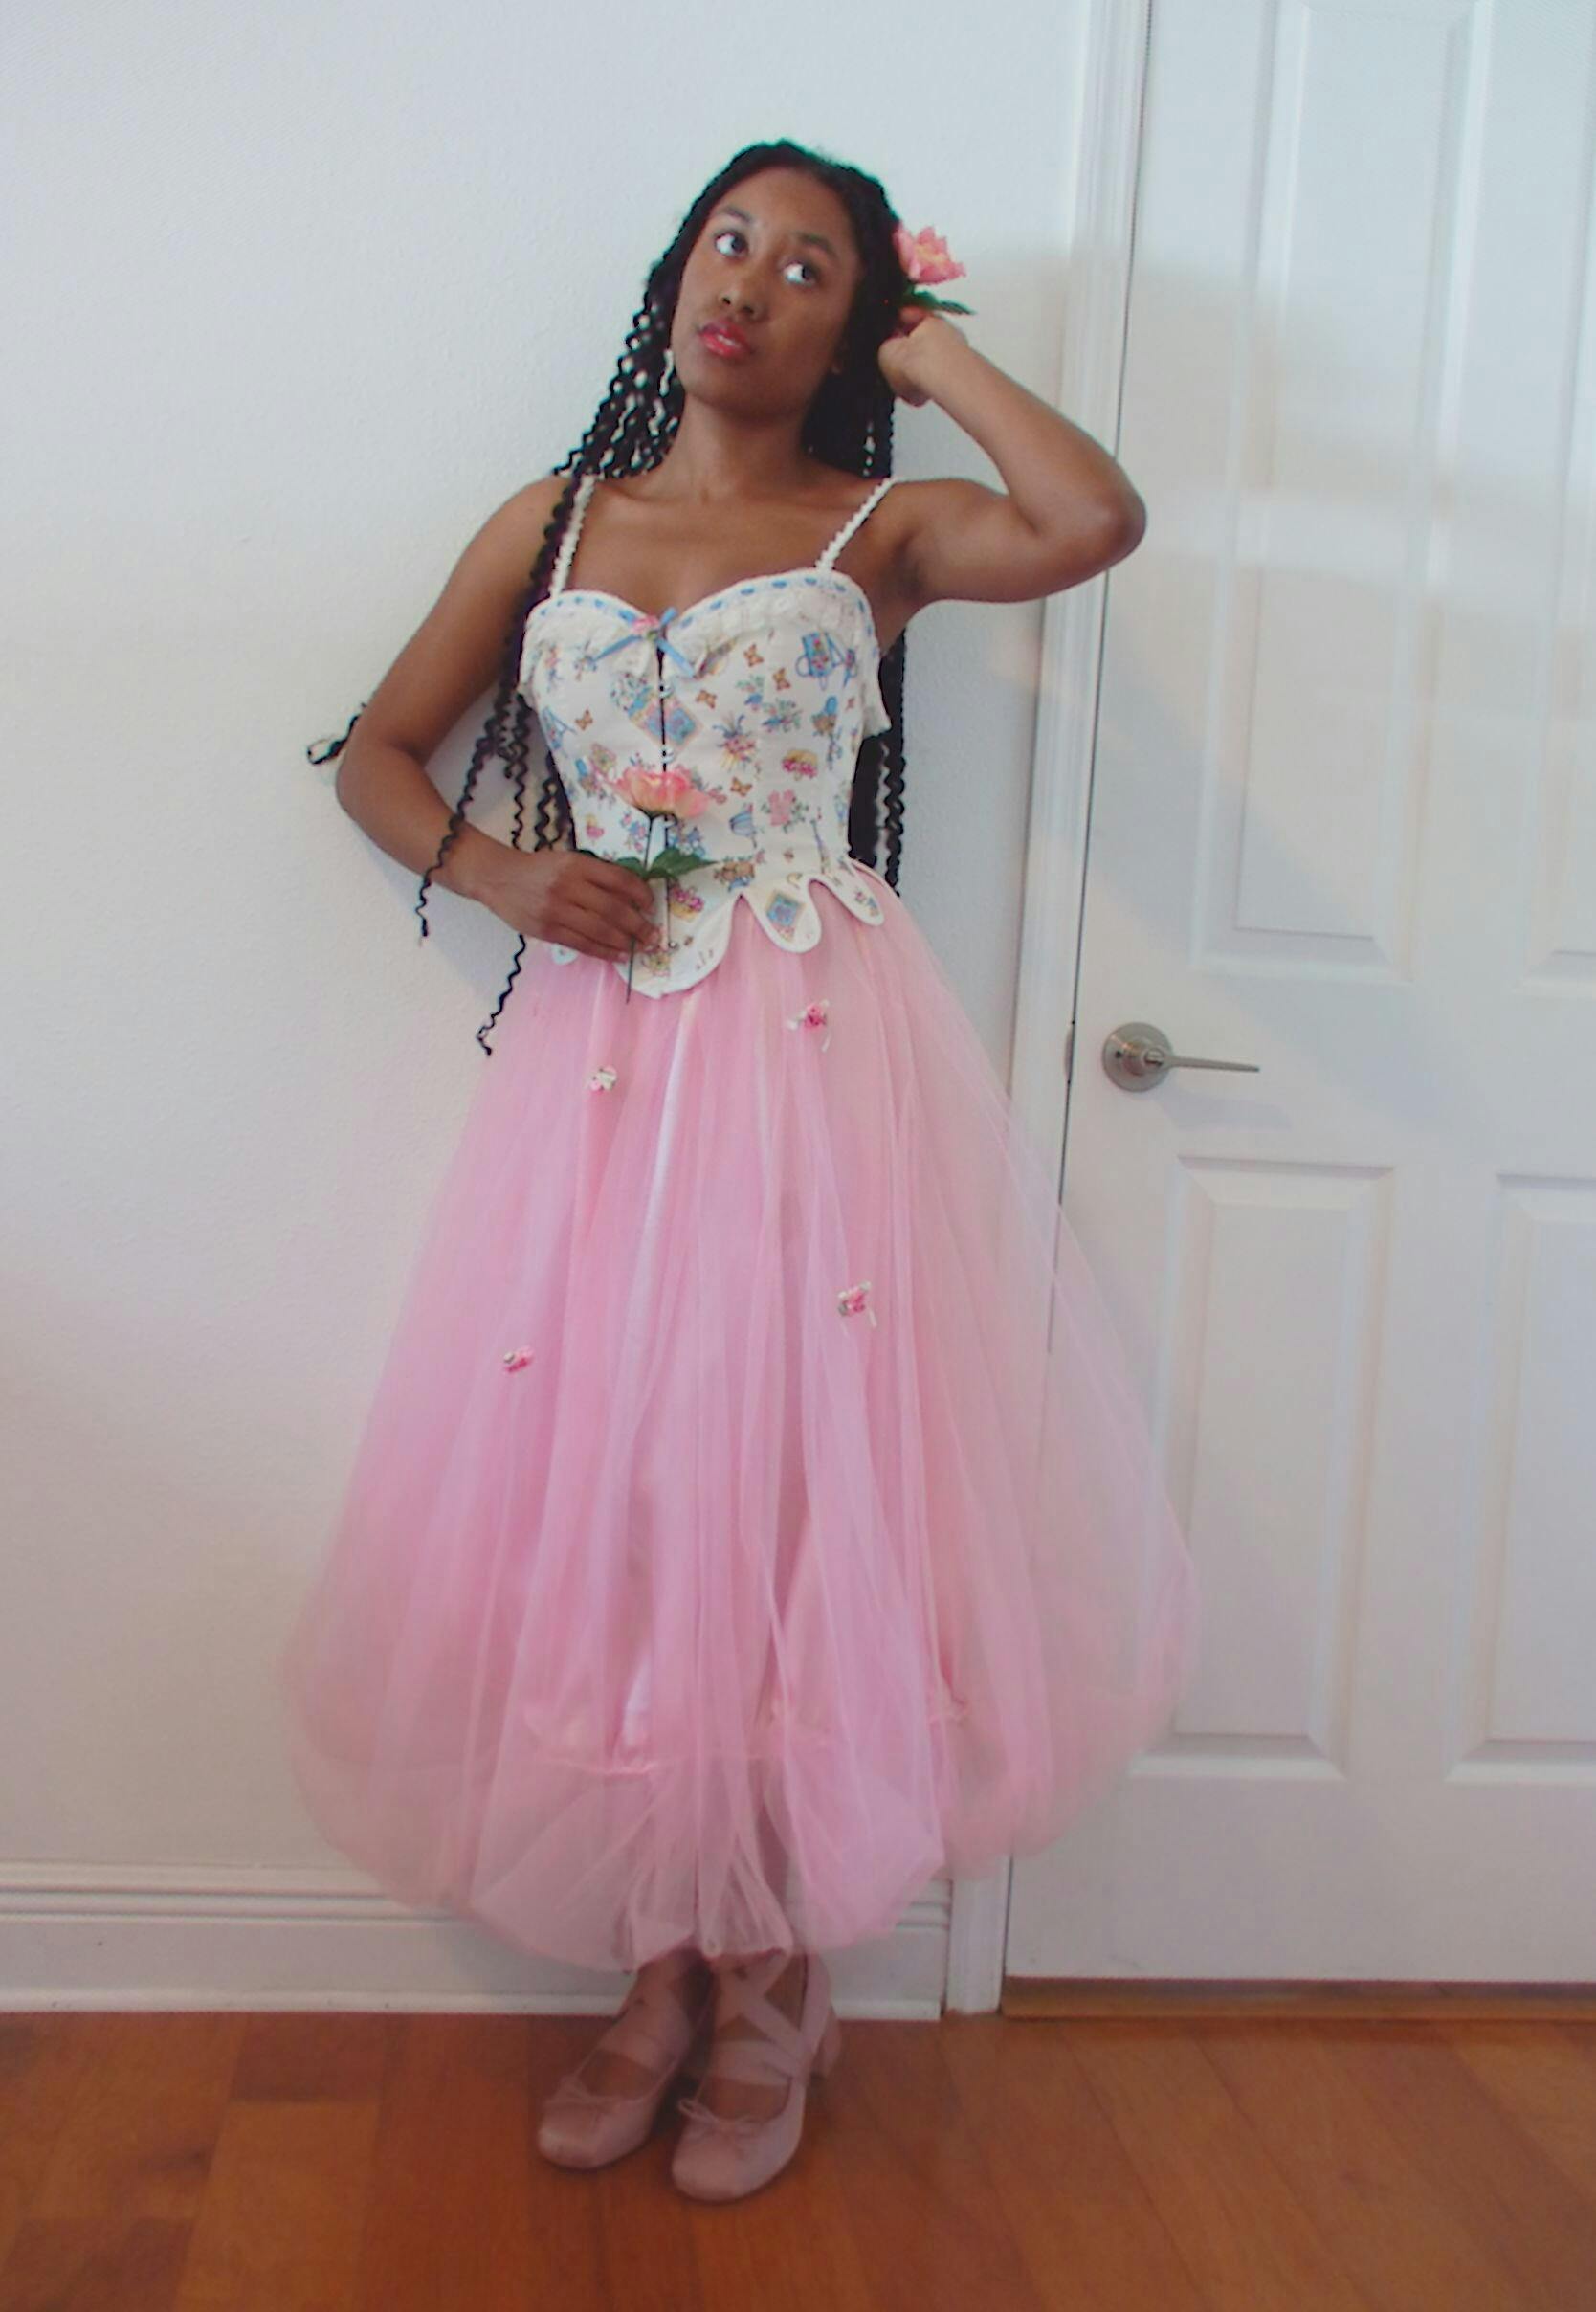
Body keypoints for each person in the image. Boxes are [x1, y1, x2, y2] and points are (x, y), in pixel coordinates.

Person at [277, 137, 1201, 2204]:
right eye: (728, 241)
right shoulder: (556, 519)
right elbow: (376, 753)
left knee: (789, 1486)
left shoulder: (883, 523)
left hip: (811, 1049)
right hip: (609, 1069)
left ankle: (776, 1974)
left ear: (856, 320)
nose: (750, 285)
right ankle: (659, 1957)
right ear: (672, 273)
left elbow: (1094, 518)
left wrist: (935, 357)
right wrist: (506, 873)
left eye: (808, 268)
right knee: (627, 1494)